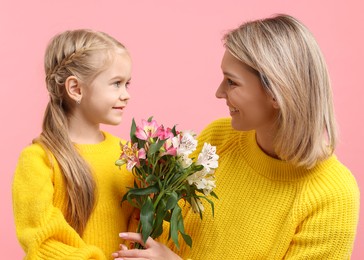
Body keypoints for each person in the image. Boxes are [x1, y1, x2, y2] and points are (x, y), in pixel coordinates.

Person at [112, 14, 360, 259]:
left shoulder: (333, 194)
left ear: (276, 92)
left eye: (232, 82)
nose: (219, 92)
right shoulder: (219, 139)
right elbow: (165, 233)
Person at [12, 29, 136, 259]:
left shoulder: (129, 155)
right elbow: (42, 240)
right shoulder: (39, 160)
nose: (126, 94)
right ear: (76, 89)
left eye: (128, 83)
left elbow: (139, 225)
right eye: (116, 84)